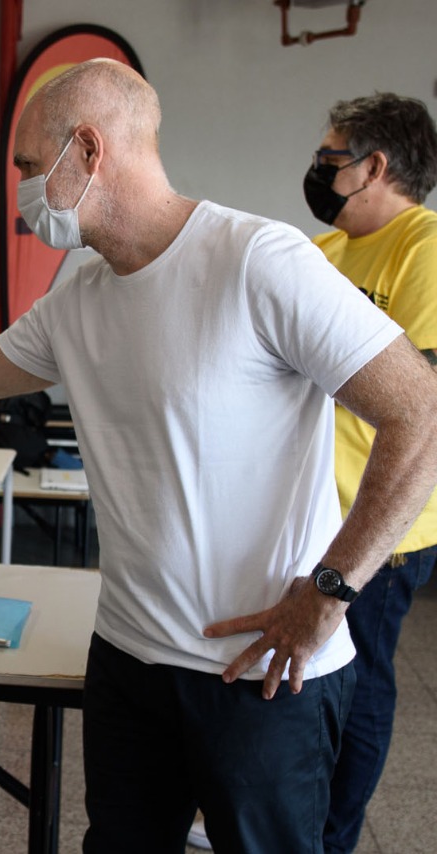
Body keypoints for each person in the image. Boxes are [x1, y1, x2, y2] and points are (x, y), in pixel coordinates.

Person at [0, 59, 437, 852]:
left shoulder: (258, 261)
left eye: (30, 168)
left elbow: (418, 412)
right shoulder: (79, 295)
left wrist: (330, 589)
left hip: (261, 671)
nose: (24, 191)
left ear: (87, 149)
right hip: (130, 657)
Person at [304, 93, 437, 854]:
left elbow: (423, 401)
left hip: (385, 522)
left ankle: (332, 836)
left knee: (358, 686)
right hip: (314, 512)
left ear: (373, 167)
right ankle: (292, 813)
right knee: (312, 678)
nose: (318, 172)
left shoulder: (423, 248)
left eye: (330, 159)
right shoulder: (324, 252)